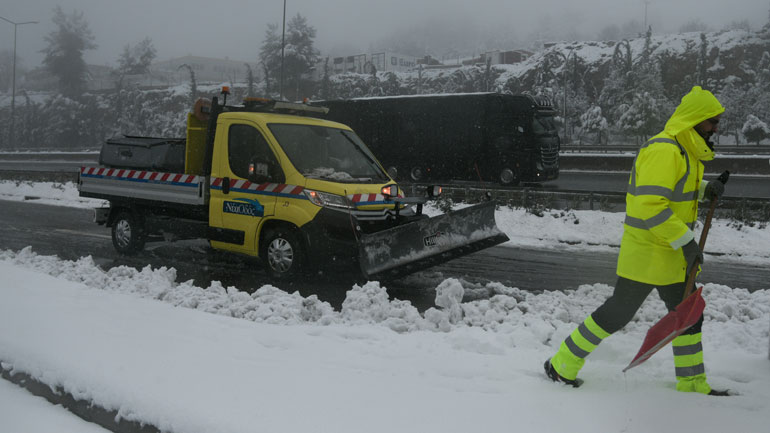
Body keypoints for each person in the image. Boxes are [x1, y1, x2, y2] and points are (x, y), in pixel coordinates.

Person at [544, 86, 728, 396]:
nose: (716, 128)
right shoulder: (665, 150)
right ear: (695, 120)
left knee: (689, 315)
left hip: (669, 256)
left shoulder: (685, 152)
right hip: (648, 254)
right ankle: (561, 363)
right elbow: (649, 205)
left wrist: (705, 189)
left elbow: (675, 189)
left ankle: (692, 383)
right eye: (712, 121)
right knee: (617, 314)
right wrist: (686, 242)